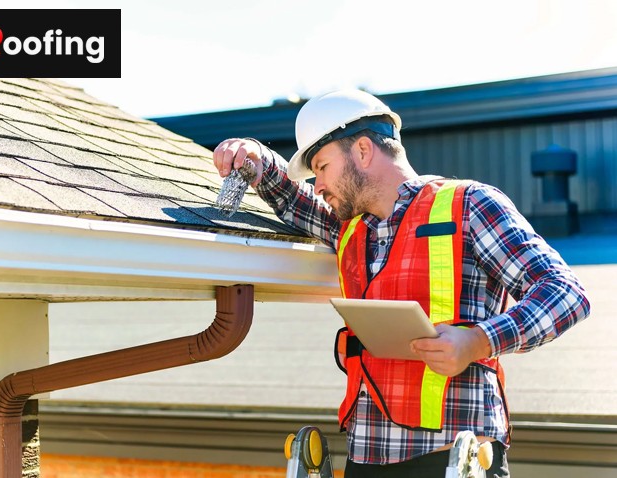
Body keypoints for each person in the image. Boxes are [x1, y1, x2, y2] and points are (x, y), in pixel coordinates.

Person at [212, 89, 590, 477]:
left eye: (322, 167)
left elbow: (565, 293)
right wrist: (253, 157)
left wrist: (477, 340)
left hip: (452, 456)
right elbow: (293, 199)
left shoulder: (471, 205)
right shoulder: (349, 228)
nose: (319, 186)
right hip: (367, 455)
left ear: (362, 150)